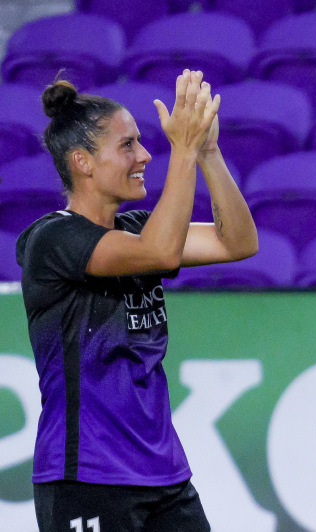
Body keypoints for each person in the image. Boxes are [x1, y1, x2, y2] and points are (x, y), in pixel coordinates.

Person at [16, 70, 258, 531]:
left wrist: (206, 152)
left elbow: (238, 243)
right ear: (83, 162)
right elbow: (158, 252)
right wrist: (182, 151)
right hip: (86, 472)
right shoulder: (52, 239)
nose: (145, 155)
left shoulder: (136, 228)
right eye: (127, 145)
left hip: (164, 474)